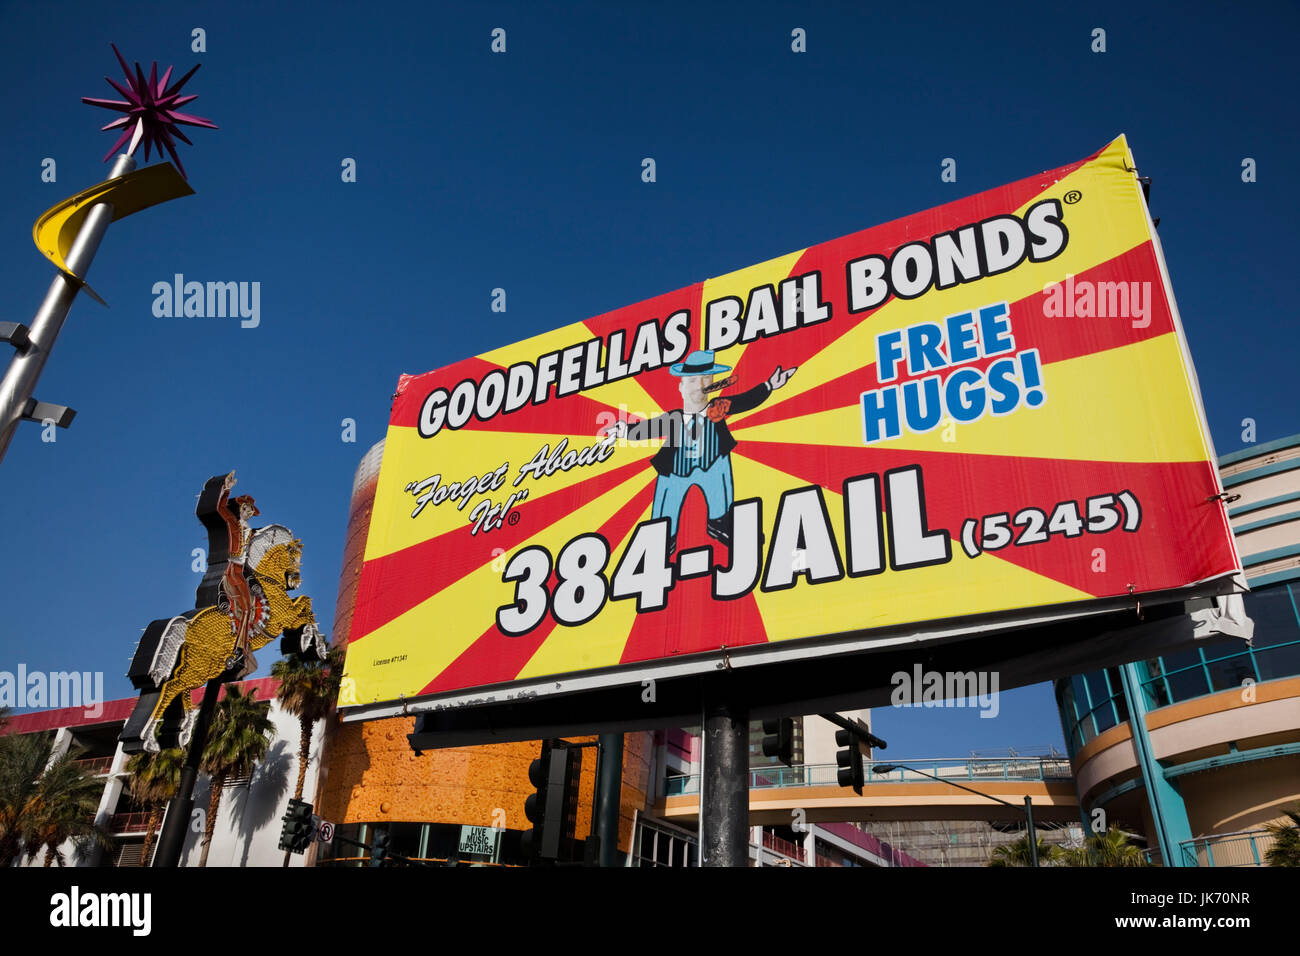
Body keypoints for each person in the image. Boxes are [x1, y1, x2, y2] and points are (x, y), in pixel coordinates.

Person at [605, 349, 796, 553]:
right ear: (681, 386)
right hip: (676, 471)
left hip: (713, 464)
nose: (701, 385)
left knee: (720, 483)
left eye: (706, 379)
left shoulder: (719, 407)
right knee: (666, 508)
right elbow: (649, 428)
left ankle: (720, 521)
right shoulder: (674, 419)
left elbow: (745, 400)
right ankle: (662, 538)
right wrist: (624, 430)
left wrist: (769, 386)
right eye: (693, 380)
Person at [216, 472, 260, 673]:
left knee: (248, 608)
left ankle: (239, 647)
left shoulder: (250, 531)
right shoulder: (233, 523)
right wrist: (226, 488)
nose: (248, 512)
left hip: (240, 570)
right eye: (245, 508)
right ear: (240, 508)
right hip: (231, 569)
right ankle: (239, 648)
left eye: (250, 510)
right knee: (248, 609)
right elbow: (220, 508)